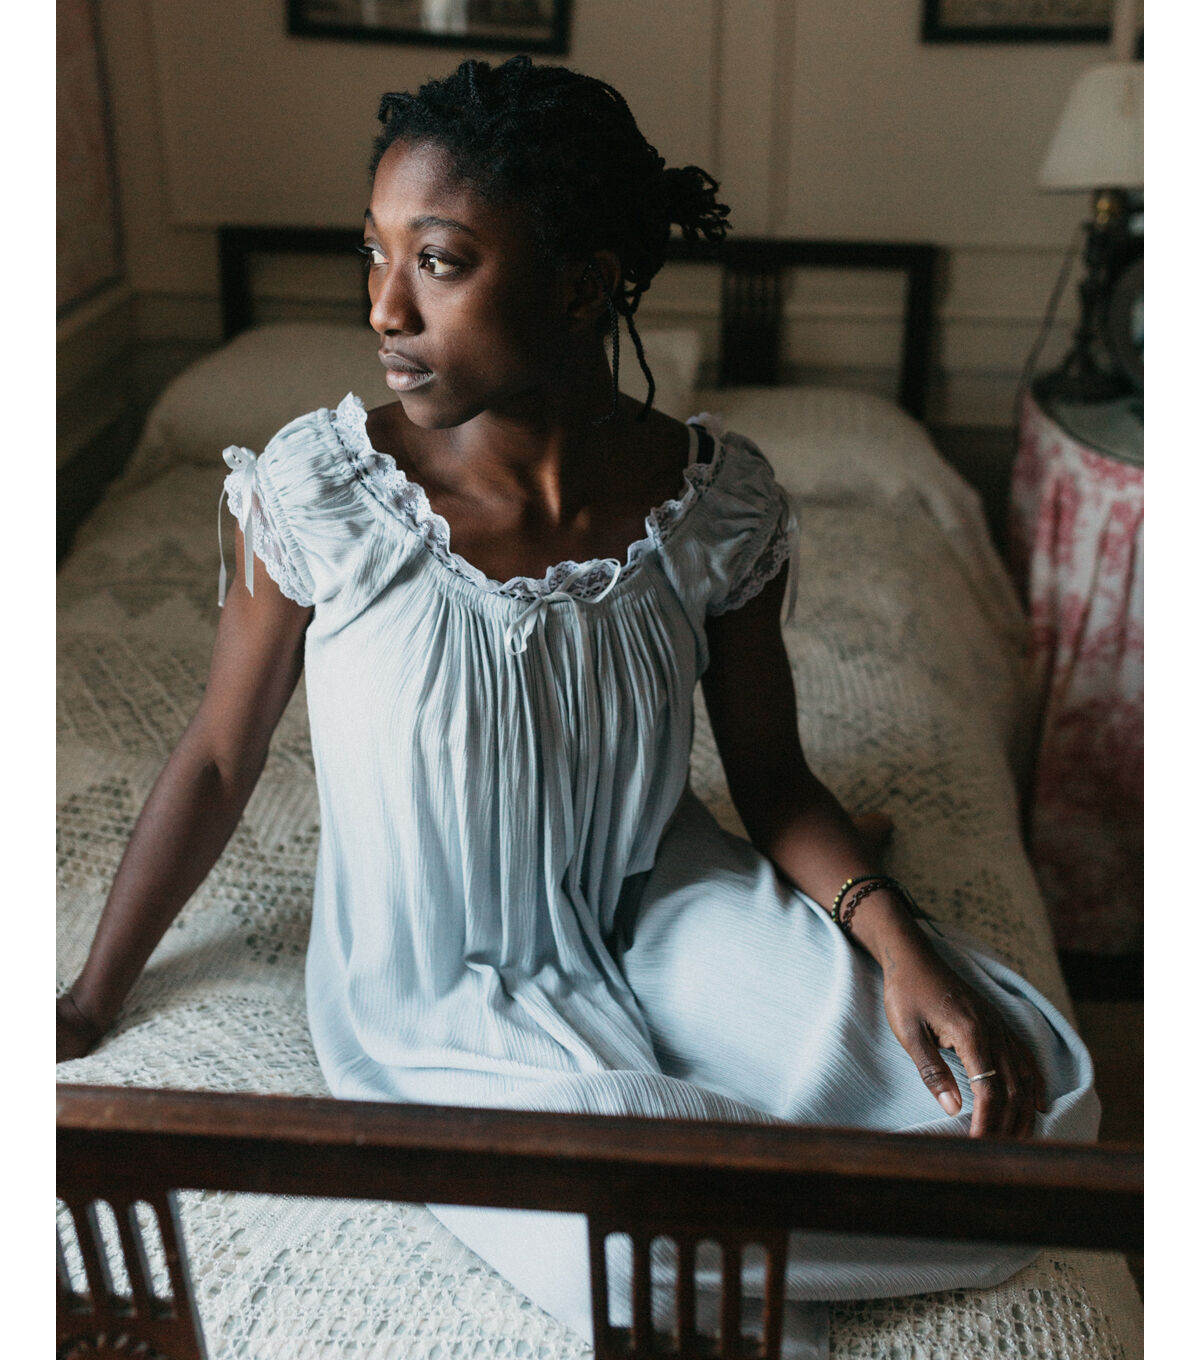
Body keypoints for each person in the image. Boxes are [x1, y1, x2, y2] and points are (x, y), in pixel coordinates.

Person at [57, 55, 1098, 1352]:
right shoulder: (318, 494)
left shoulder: (717, 506)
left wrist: (898, 945)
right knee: (642, 1228)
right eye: (372, 252)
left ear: (582, 283)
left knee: (1028, 1103)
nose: (383, 307)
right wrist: (90, 999)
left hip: (661, 896)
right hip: (442, 975)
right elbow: (220, 758)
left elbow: (773, 776)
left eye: (438, 261)